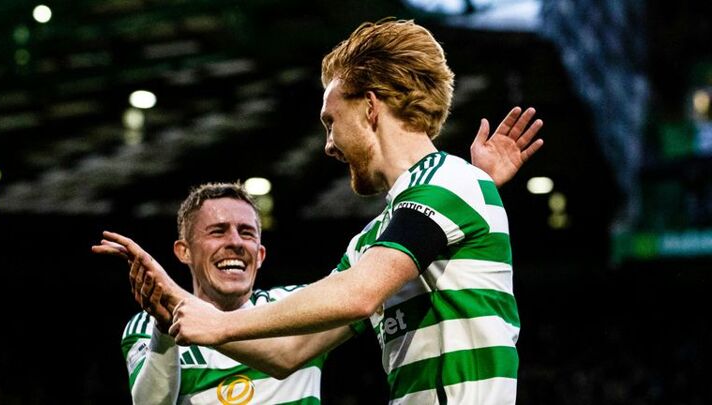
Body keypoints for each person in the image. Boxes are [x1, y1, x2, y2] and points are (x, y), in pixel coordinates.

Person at [104, 18, 544, 404]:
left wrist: (219, 326)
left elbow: (360, 293)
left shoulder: (447, 181)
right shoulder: (379, 237)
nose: (329, 145)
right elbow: (287, 353)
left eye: (331, 122)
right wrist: (177, 301)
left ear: (370, 107)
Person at [94, 182, 351, 404]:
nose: (235, 242)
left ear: (260, 255)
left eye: (246, 233)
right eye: (218, 231)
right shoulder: (148, 326)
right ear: (184, 251)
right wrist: (164, 332)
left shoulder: (296, 305)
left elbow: (360, 292)